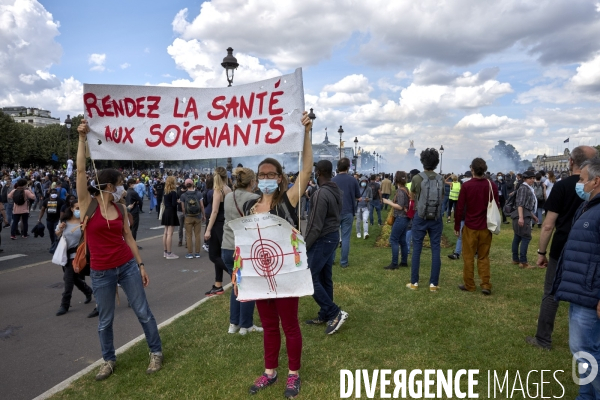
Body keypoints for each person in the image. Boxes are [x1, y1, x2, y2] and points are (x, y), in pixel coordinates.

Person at [76, 119, 163, 381]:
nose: (125, 187)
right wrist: (82, 139)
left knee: (143, 311)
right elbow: (81, 171)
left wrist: (141, 264)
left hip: (126, 266)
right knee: (105, 320)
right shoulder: (87, 204)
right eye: (122, 183)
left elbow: (129, 239)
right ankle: (108, 360)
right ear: (111, 186)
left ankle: (156, 352)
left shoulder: (121, 209)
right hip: (101, 271)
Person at [243, 112, 312, 398]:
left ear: (280, 177)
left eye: (272, 174)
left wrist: (307, 131)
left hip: (286, 274)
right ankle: (270, 371)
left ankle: (293, 374)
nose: (267, 178)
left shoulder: (288, 200)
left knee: (290, 325)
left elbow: (306, 171)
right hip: (261, 276)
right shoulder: (251, 207)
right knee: (269, 325)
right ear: (257, 179)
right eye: (263, 174)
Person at [526, 146, 598, 351]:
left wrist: (541, 252)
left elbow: (548, 225)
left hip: (562, 247)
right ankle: (587, 341)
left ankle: (543, 338)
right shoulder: (593, 188)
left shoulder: (561, 186)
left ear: (570, 162)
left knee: (550, 293)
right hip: (590, 252)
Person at [551, 158, 600, 398]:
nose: (578, 184)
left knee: (586, 351)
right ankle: (585, 395)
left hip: (591, 293)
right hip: (581, 289)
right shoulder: (588, 206)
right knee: (584, 351)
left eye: (582, 180)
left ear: (596, 181)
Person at [304, 160, 347, 334]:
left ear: (319, 172)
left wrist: (304, 246)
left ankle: (334, 312)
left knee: (309, 277)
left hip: (322, 239)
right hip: (332, 237)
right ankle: (325, 313)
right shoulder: (336, 190)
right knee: (324, 277)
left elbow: (315, 224)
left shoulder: (321, 193)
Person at [222, 167, 262, 334]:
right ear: (252, 182)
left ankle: (234, 323)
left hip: (227, 246)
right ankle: (246, 325)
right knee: (248, 286)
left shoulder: (228, 196)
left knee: (236, 284)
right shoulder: (255, 198)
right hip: (244, 248)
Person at [454, 158, 499, 295]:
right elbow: (497, 204)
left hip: (470, 226)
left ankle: (469, 284)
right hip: (485, 226)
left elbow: (460, 208)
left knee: (468, 257)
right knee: (483, 256)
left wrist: (457, 225)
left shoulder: (467, 186)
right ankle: (485, 284)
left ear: (472, 169)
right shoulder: (491, 185)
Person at [407, 148, 444, 292]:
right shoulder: (440, 178)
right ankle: (433, 284)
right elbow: (441, 197)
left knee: (417, 248)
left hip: (420, 216)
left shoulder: (417, 178)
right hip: (435, 217)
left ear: (422, 161)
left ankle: (414, 282)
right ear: (436, 163)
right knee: (436, 248)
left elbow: (412, 196)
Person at [54, 199, 94, 316]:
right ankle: (87, 291)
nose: (79, 210)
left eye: (81, 208)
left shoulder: (85, 221)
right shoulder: (64, 220)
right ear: (71, 209)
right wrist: (60, 228)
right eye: (77, 208)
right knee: (72, 278)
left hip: (81, 255)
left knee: (69, 279)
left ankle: (64, 305)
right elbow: (57, 234)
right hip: (67, 255)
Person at [203, 167, 232, 296]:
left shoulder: (218, 191)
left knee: (213, 255)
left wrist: (208, 230)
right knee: (219, 254)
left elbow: (214, 211)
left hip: (216, 225)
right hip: (225, 223)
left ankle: (234, 274)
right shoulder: (228, 189)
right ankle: (218, 284)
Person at [331, 158, 361, 268]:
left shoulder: (333, 180)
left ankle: (331, 259)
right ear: (348, 167)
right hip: (348, 210)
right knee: (346, 238)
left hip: (335, 211)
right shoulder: (353, 180)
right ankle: (343, 262)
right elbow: (358, 196)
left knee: (333, 236)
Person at [382, 171, 410, 269]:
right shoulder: (406, 189)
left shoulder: (400, 191)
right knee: (402, 240)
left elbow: (400, 206)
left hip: (400, 217)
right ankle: (403, 261)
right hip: (405, 218)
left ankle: (394, 263)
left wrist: (387, 202)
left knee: (393, 239)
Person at [511, 170, 538, 269]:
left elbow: (525, 205)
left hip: (524, 213)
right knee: (526, 237)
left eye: (533, 178)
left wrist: (533, 215)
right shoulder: (524, 188)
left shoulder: (526, 188)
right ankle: (523, 262)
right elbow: (520, 204)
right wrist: (521, 218)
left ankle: (515, 259)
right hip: (522, 215)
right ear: (525, 179)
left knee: (517, 237)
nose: (532, 180)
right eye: (530, 178)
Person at [180, 178, 205, 259]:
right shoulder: (198, 194)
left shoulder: (183, 195)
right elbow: (201, 206)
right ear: (193, 184)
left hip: (188, 216)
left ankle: (190, 253)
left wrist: (185, 215)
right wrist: (203, 215)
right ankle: (197, 253)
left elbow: (183, 208)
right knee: (197, 235)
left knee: (188, 235)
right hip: (197, 216)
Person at [161, 176, 180, 259]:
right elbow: (173, 204)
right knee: (170, 234)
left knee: (165, 232)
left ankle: (165, 251)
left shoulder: (165, 192)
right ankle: (169, 253)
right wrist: (178, 202)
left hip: (166, 212)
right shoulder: (173, 192)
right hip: (171, 212)